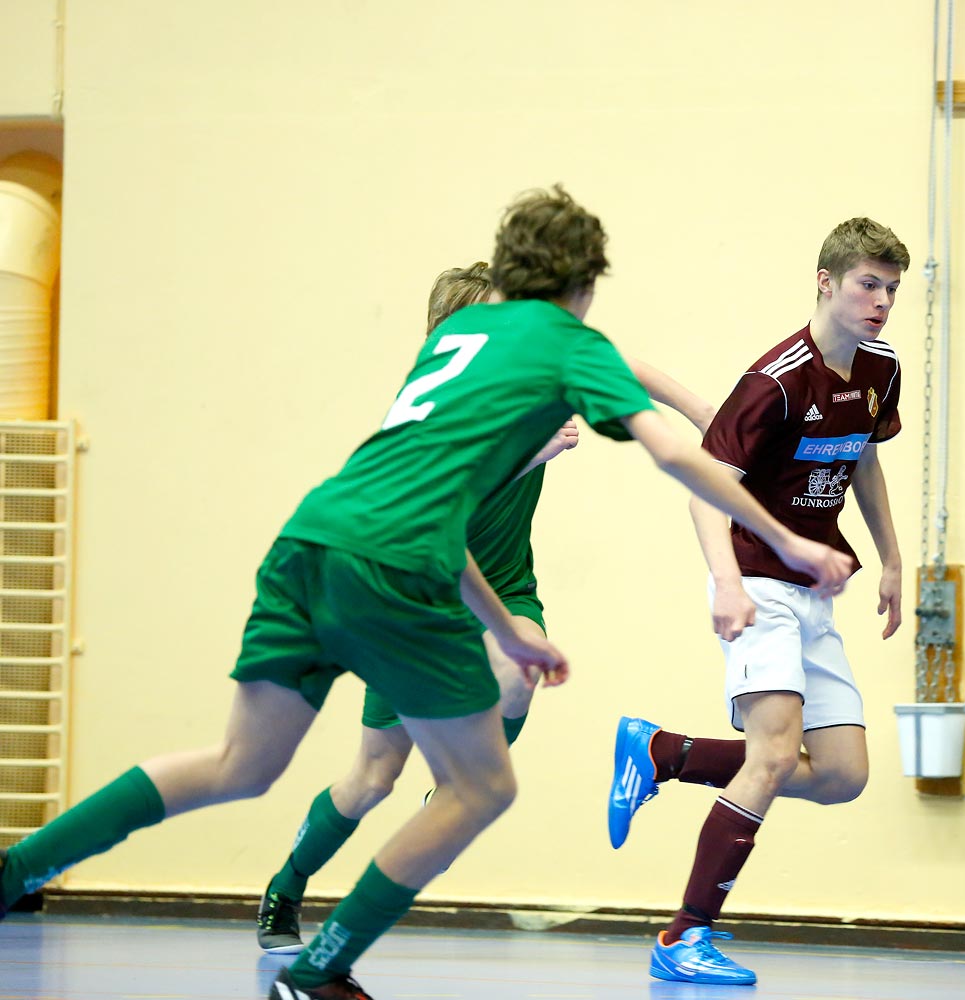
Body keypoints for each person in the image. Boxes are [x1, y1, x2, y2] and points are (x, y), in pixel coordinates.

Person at [0, 185, 854, 1000]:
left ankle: (14, 872)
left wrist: (506, 631)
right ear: (585, 285)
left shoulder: (449, 348)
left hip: (312, 541)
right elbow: (675, 453)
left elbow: (433, 518)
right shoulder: (566, 344)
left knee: (237, 766)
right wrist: (784, 540)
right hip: (400, 576)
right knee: (480, 789)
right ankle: (320, 968)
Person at [255, 262, 717, 954]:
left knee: (519, 667)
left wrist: (703, 411)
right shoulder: (424, 413)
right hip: (410, 606)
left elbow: (618, 362)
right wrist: (531, 458)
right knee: (371, 779)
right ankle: (286, 887)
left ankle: (456, 797)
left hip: (502, 591)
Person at [607, 217, 909, 986]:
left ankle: (662, 752)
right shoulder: (773, 382)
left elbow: (863, 462)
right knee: (774, 755)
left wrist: (892, 561)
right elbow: (704, 498)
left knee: (842, 775)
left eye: (892, 289)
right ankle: (683, 936)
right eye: (868, 285)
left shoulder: (880, 369)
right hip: (758, 582)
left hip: (815, 590)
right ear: (826, 282)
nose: (881, 302)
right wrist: (728, 584)